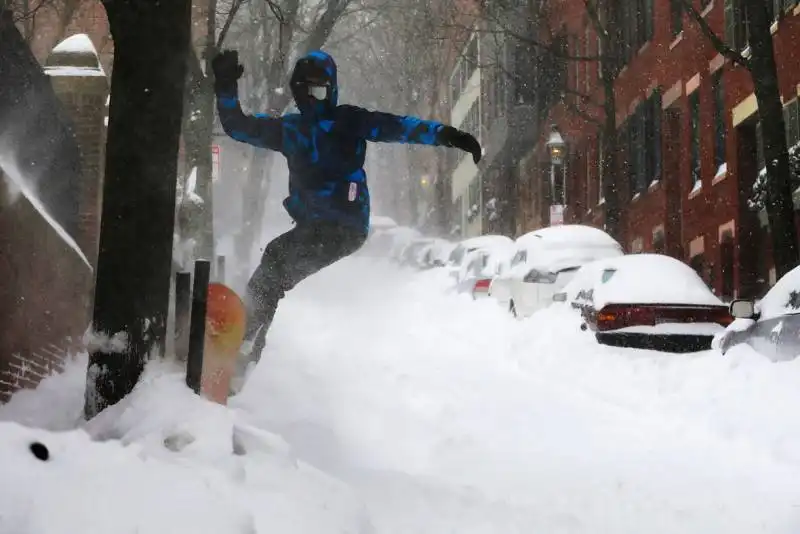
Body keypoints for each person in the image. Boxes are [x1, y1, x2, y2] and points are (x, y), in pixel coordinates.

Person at [212, 48, 482, 375]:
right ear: (297, 91)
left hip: (344, 225)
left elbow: (401, 127)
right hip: (317, 225)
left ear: (332, 91)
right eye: (305, 91)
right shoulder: (291, 129)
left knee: (276, 262)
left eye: (319, 91)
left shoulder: (348, 122)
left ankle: (242, 347)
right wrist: (225, 85)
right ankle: (243, 343)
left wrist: (451, 136)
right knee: (275, 265)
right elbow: (238, 127)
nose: (312, 99)